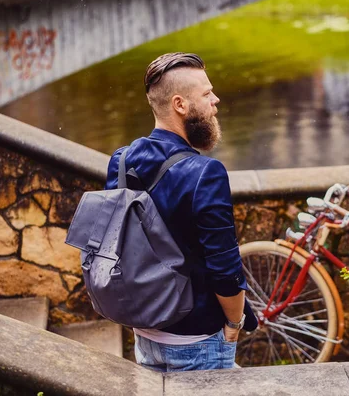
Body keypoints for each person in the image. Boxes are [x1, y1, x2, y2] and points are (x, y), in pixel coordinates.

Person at [105, 52, 257, 372]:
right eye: (206, 94)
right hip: (197, 342)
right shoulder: (206, 173)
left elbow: (115, 246)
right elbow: (225, 271)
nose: (215, 100)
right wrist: (234, 324)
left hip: (145, 331)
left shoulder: (120, 160)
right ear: (180, 104)